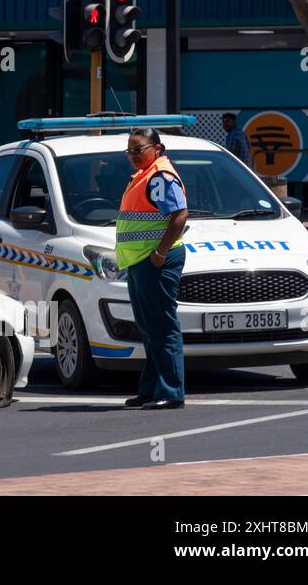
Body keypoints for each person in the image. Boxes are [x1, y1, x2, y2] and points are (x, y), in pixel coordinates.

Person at [117, 128, 189, 410]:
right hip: (142, 261)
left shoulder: (160, 175)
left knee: (162, 326)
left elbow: (179, 215)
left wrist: (159, 252)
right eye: (129, 151)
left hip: (155, 260)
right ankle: (151, 389)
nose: (133, 156)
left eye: (139, 150)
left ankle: (171, 392)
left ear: (156, 148)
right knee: (149, 327)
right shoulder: (145, 174)